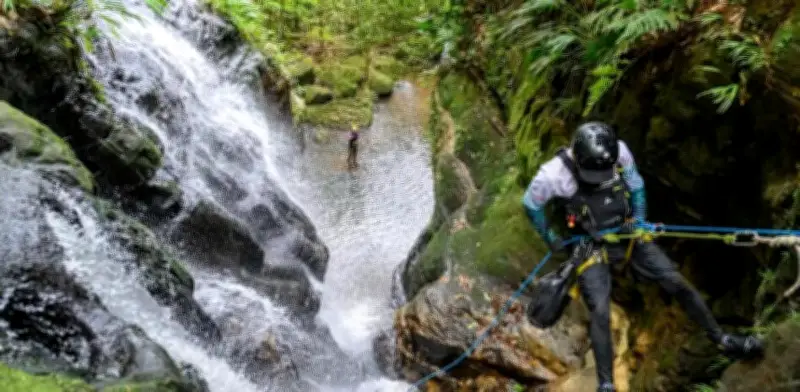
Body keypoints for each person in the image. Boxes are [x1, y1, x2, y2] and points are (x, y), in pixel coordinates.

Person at [521, 121, 764, 392]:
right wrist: (553, 240)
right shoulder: (552, 175)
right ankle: (606, 385)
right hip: (590, 241)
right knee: (599, 310)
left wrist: (639, 220)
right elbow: (531, 205)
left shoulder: (620, 152)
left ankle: (722, 340)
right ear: (577, 158)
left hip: (626, 231)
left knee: (674, 281)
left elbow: (636, 185)